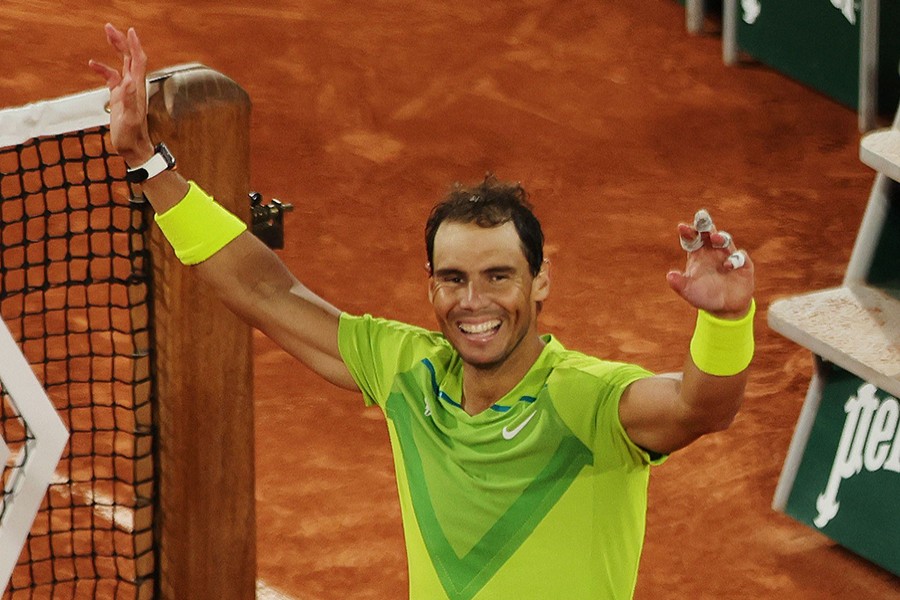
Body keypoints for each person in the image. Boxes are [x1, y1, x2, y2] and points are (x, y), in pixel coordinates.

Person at [90, 23, 756, 600]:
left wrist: (725, 323)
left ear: (540, 281)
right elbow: (266, 292)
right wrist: (148, 162)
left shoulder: (586, 401)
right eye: (454, 278)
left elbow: (702, 408)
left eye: (500, 276)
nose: (474, 301)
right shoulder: (406, 371)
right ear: (431, 286)